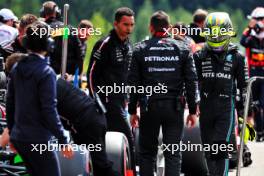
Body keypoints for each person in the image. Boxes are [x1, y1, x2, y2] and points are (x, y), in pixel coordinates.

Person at [128, 11, 199, 176]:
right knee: (173, 153)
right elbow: (191, 81)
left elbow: (133, 83)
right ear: (170, 28)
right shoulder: (183, 48)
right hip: (174, 108)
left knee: (147, 153)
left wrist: (132, 110)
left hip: (149, 108)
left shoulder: (139, 49)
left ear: (150, 28)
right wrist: (193, 110)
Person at [5, 21, 73, 176]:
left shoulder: (17, 68)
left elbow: (10, 104)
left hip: (20, 138)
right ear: (48, 43)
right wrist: (63, 140)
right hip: (39, 139)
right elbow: (49, 110)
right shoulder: (46, 72)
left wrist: (13, 134)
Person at [194, 12, 248, 176]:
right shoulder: (199, 56)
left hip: (225, 107)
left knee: (220, 146)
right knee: (208, 148)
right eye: (213, 33)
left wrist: (246, 101)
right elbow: (192, 82)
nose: (217, 38)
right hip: (205, 107)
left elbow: (245, 85)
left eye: (220, 33)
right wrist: (192, 100)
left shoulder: (237, 56)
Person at [87, 7, 136, 174]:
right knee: (126, 140)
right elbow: (91, 74)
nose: (129, 28)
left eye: (131, 25)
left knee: (122, 143)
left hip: (121, 101)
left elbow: (128, 75)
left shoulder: (129, 45)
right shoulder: (104, 43)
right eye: (125, 24)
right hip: (105, 102)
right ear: (115, 24)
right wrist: (97, 102)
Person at [240, 7, 264, 142]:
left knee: (262, 104)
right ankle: (259, 132)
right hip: (253, 72)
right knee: (255, 105)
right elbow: (243, 42)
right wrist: (250, 28)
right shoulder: (250, 33)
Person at [41, 1, 83, 75]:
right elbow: (79, 54)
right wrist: (77, 74)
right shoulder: (69, 29)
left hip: (46, 73)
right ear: (57, 12)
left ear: (43, 13)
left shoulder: (41, 30)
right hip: (68, 76)